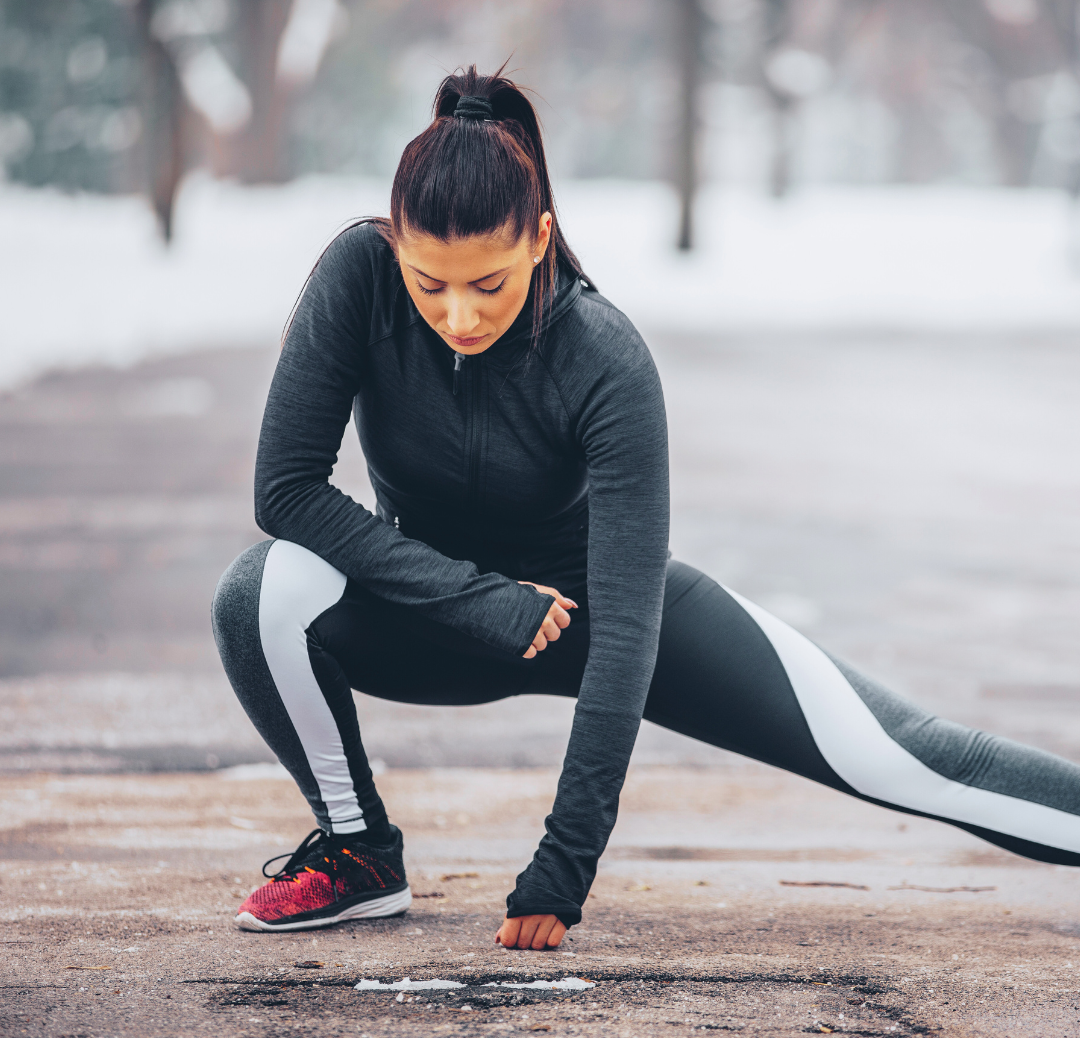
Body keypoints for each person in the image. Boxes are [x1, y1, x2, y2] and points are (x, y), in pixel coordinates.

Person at [212, 65, 1080, 950]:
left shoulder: (603, 355)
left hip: (597, 612)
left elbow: (628, 629)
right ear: (397, 244)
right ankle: (360, 854)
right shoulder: (357, 278)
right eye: (431, 285)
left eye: (490, 284)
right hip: (437, 613)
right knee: (259, 593)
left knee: (909, 756)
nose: (460, 316)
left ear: (540, 239)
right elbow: (285, 490)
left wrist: (566, 860)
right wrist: (477, 599)